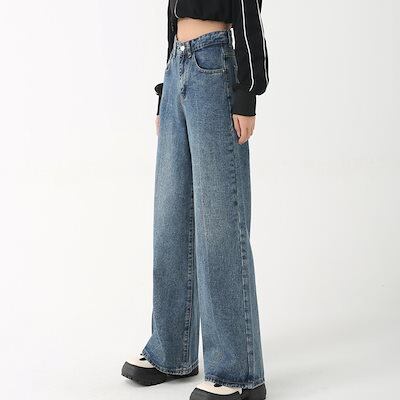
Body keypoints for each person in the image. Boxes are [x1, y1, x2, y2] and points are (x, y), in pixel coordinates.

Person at [122, 1, 269, 399]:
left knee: (219, 223)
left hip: (215, 65)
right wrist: (166, 88)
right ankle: (171, 350)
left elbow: (248, 9)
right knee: (170, 218)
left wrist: (247, 92)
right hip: (178, 65)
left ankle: (238, 373)